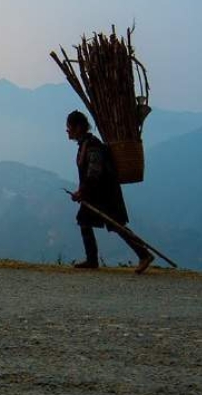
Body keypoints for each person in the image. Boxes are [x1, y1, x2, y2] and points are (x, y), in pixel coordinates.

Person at [66, 110, 154, 274]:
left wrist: (81, 192)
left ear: (78, 128)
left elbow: (94, 172)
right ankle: (92, 260)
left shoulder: (92, 146)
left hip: (105, 195)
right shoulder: (86, 145)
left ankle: (144, 254)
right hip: (96, 194)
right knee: (85, 220)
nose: (67, 131)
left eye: (69, 127)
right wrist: (82, 192)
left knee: (117, 225)